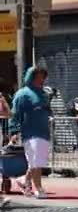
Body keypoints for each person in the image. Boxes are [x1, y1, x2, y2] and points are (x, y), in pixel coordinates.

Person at [9, 67, 53, 199]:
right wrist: (14, 131)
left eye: (43, 77)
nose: (42, 80)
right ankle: (38, 188)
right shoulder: (22, 94)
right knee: (36, 162)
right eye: (38, 77)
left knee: (37, 161)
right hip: (31, 132)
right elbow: (15, 113)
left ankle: (24, 180)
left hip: (44, 131)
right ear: (31, 77)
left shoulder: (43, 93)